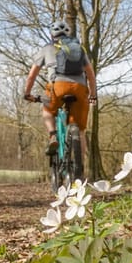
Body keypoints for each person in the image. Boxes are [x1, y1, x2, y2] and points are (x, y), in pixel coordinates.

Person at [23, 20, 97, 163]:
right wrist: (93, 95)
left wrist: (27, 93)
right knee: (80, 130)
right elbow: (91, 75)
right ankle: (78, 171)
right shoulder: (80, 49)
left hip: (57, 86)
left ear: (52, 35)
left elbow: (32, 75)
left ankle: (53, 135)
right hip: (80, 88)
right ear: (68, 34)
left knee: (48, 111)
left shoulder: (47, 48)